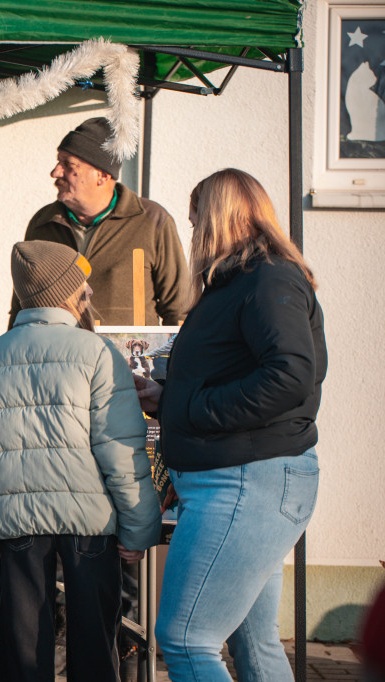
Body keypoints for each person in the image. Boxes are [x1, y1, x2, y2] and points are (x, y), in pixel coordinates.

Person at [135, 169, 327, 681]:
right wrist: (166, 398)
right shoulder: (243, 282)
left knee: (185, 638)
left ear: (219, 220)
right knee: (254, 641)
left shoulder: (269, 279)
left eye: (197, 222)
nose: (193, 234)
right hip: (244, 478)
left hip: (244, 482)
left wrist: (193, 412)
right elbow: (241, 373)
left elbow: (290, 376)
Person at [0, 242, 161, 682]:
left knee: (19, 654)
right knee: (94, 652)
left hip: (16, 527)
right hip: (90, 527)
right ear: (70, 293)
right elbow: (121, 451)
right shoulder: (99, 355)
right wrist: (139, 527)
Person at [10, 116, 189, 327]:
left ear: (102, 176)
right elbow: (22, 307)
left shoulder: (153, 222)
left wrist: (171, 358)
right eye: (59, 162)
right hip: (60, 357)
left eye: (68, 164)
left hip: (125, 358)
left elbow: (179, 311)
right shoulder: (43, 223)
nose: (55, 172)